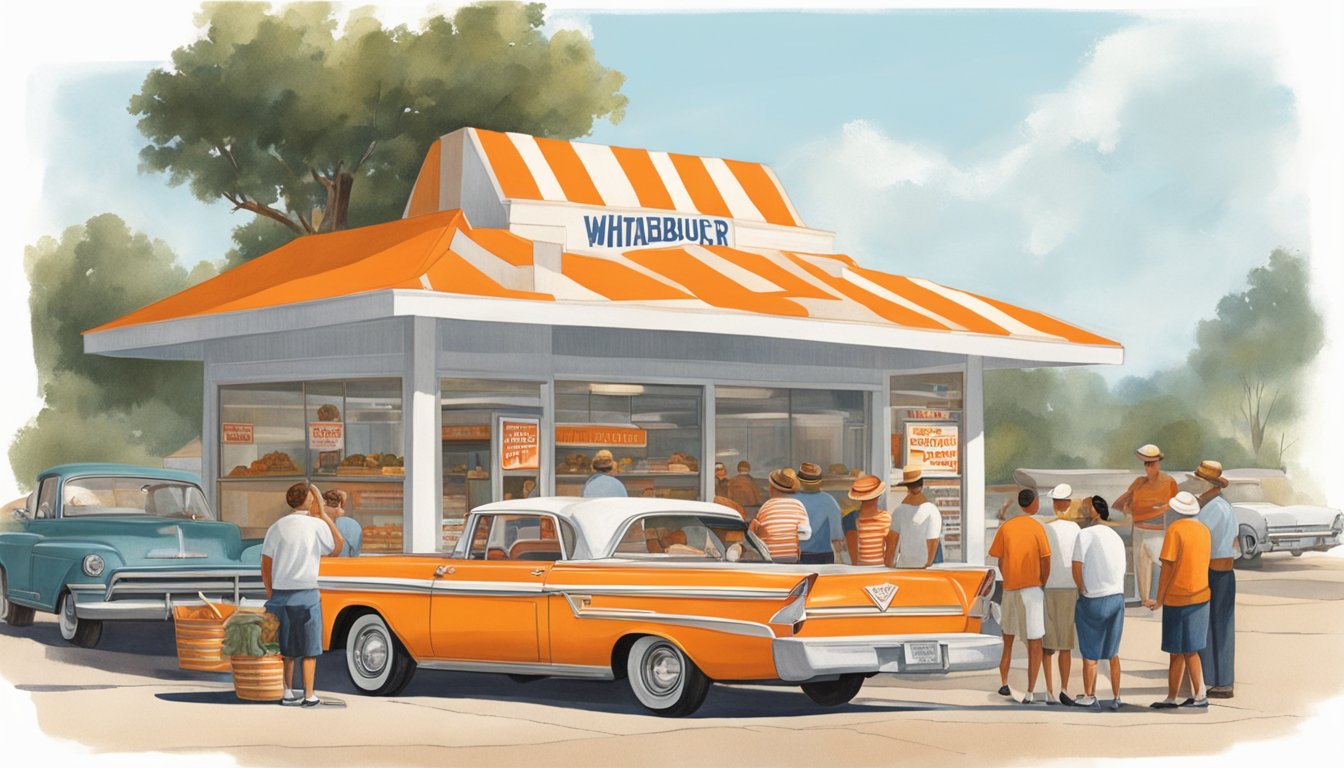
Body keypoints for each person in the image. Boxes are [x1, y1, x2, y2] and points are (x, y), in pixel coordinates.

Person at [262, 482, 344, 707]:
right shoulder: (315, 525)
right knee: (310, 648)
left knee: (286, 649)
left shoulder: (276, 527)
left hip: (281, 594)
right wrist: (324, 514)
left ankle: (287, 692)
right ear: (310, 500)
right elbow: (337, 547)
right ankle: (309, 695)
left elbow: (265, 564)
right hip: (307, 593)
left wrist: (271, 593)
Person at [989, 487, 1051, 704]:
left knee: (1008, 639)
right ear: (1034, 504)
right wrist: (1042, 582)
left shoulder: (1007, 527)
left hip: (1009, 589)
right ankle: (1030, 691)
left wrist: (1009, 577)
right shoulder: (1037, 527)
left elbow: (999, 560)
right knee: (1035, 641)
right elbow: (1045, 559)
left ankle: (1004, 683)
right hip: (1032, 588)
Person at [1150, 491, 1211, 709]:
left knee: (1177, 651)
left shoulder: (1175, 530)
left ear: (1176, 511)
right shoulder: (1204, 530)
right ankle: (1196, 694)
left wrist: (1158, 599)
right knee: (1192, 649)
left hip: (1178, 597)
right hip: (1202, 595)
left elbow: (1167, 567)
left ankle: (1177, 696)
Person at [1071, 495, 1127, 709]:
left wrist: (1083, 589)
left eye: (1086, 507)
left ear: (1095, 511)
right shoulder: (1115, 537)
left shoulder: (1084, 535)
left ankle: (1089, 694)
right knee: (1113, 652)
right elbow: (1121, 569)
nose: (1083, 510)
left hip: (1093, 598)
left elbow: (1077, 566)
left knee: (1090, 653)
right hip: (1116, 597)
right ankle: (1116, 696)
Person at [1191, 460, 1237, 698]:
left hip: (1210, 571)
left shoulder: (1210, 510)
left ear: (1207, 484)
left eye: (1198, 482)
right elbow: (1236, 545)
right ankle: (1224, 681)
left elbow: (1199, 540)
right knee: (1224, 626)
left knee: (1206, 625)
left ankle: (1208, 679)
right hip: (1227, 571)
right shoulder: (1225, 507)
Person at [1113, 443, 1179, 608]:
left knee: (1165, 562)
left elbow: (1174, 507)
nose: (1148, 467)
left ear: (1158, 463)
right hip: (1139, 528)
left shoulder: (1168, 482)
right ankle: (1145, 599)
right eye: (1146, 464)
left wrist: (1158, 511)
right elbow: (1126, 505)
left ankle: (1168, 595)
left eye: (1151, 463)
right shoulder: (1139, 483)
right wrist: (1128, 508)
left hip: (1157, 530)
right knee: (1141, 566)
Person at [1042, 483, 1081, 705]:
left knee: (1048, 644)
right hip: (1069, 587)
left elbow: (1044, 559)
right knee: (1066, 643)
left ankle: (1049, 690)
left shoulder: (1047, 528)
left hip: (1049, 587)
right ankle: (1064, 688)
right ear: (1068, 504)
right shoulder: (1076, 529)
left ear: (1055, 504)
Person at [749, 469, 810, 563]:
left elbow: (756, 531)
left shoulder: (766, 506)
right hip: (792, 557)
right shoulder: (798, 506)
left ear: (772, 488)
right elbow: (805, 535)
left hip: (769, 556)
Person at [889, 464, 941, 568]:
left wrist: (890, 565)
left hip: (903, 567)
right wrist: (928, 564)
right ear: (922, 485)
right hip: (925, 569)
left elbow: (892, 543)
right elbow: (933, 541)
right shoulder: (933, 511)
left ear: (907, 487)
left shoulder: (898, 511)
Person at [796, 462, 845, 564]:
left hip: (798, 554)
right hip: (823, 555)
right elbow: (836, 536)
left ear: (799, 481)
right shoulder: (829, 501)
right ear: (820, 482)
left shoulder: (793, 500)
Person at [845, 474, 894, 566]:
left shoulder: (851, 520)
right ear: (878, 496)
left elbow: (853, 558)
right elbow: (890, 549)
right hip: (881, 569)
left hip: (860, 571)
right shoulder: (886, 518)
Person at [322, 489, 362, 557]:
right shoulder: (352, 525)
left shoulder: (314, 522)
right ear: (340, 505)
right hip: (344, 565)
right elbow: (355, 554)